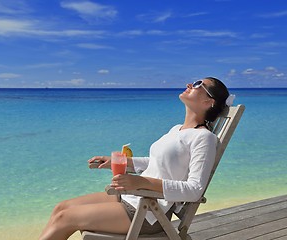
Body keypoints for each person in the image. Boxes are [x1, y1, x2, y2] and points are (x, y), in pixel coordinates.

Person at [39, 77, 232, 240]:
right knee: (61, 208)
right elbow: (157, 163)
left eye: (199, 84)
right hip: (132, 197)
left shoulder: (204, 138)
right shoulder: (177, 129)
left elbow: (194, 190)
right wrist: (123, 163)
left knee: (67, 218)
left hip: (148, 212)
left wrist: (141, 181)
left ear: (209, 102)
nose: (190, 84)